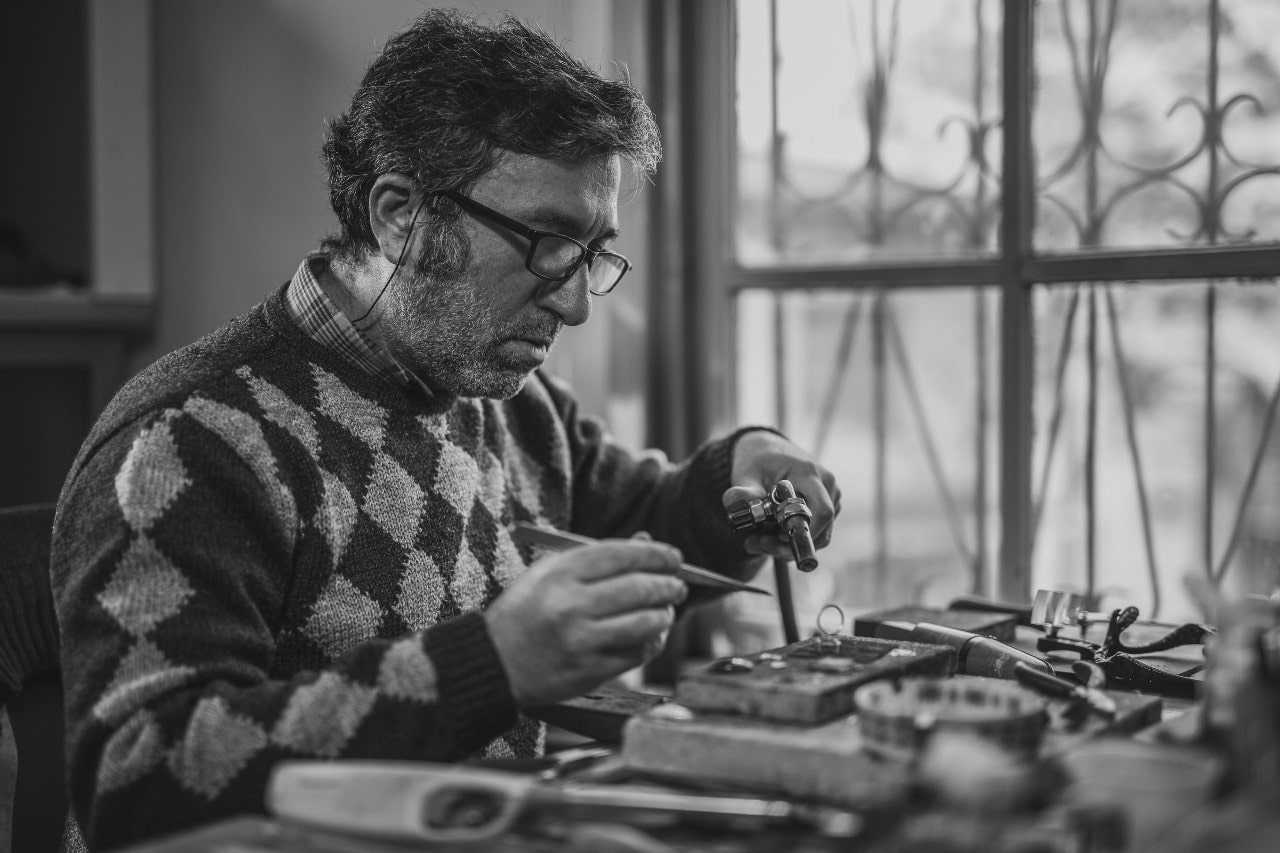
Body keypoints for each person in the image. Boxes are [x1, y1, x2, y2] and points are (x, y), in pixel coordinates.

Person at [51, 9, 839, 849]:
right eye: (547, 243)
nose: (574, 303)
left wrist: (741, 477)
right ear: (399, 214)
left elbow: (647, 523)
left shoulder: (506, 397)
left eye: (592, 253)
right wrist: (489, 664)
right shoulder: (189, 442)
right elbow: (138, 782)